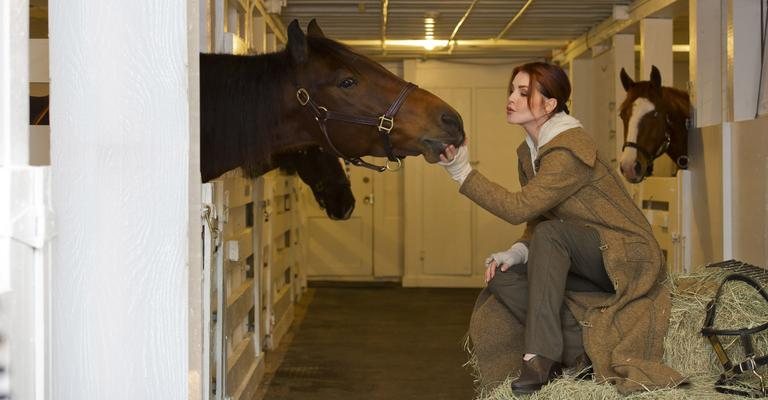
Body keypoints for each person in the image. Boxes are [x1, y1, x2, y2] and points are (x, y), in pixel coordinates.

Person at [438, 62, 683, 394]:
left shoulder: (569, 147)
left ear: (550, 104)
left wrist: (462, 172)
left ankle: (540, 357)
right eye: (512, 90)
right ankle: (578, 351)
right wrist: (517, 252)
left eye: (524, 93)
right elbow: (538, 217)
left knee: (551, 236)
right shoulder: (528, 153)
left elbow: (519, 207)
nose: (512, 98)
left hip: (627, 255)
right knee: (503, 275)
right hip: (585, 251)